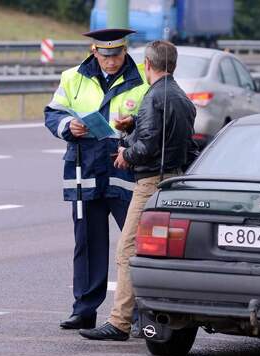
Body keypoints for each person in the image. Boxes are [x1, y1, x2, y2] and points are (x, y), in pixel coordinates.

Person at [79, 40, 197, 341]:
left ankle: (120, 322)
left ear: (147, 63)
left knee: (127, 250)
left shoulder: (153, 97)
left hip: (149, 183)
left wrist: (125, 154)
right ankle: (148, 315)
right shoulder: (182, 98)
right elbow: (180, 143)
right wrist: (134, 126)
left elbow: (149, 144)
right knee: (159, 253)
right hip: (174, 180)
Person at [44, 29, 149, 330]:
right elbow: (53, 113)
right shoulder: (72, 77)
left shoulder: (142, 77)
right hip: (85, 169)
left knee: (135, 246)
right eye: (105, 56)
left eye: (116, 55)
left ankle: (142, 314)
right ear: (94, 51)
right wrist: (68, 125)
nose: (111, 62)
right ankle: (84, 309)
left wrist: (133, 124)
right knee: (87, 244)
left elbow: (155, 117)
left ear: (124, 51)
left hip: (124, 170)